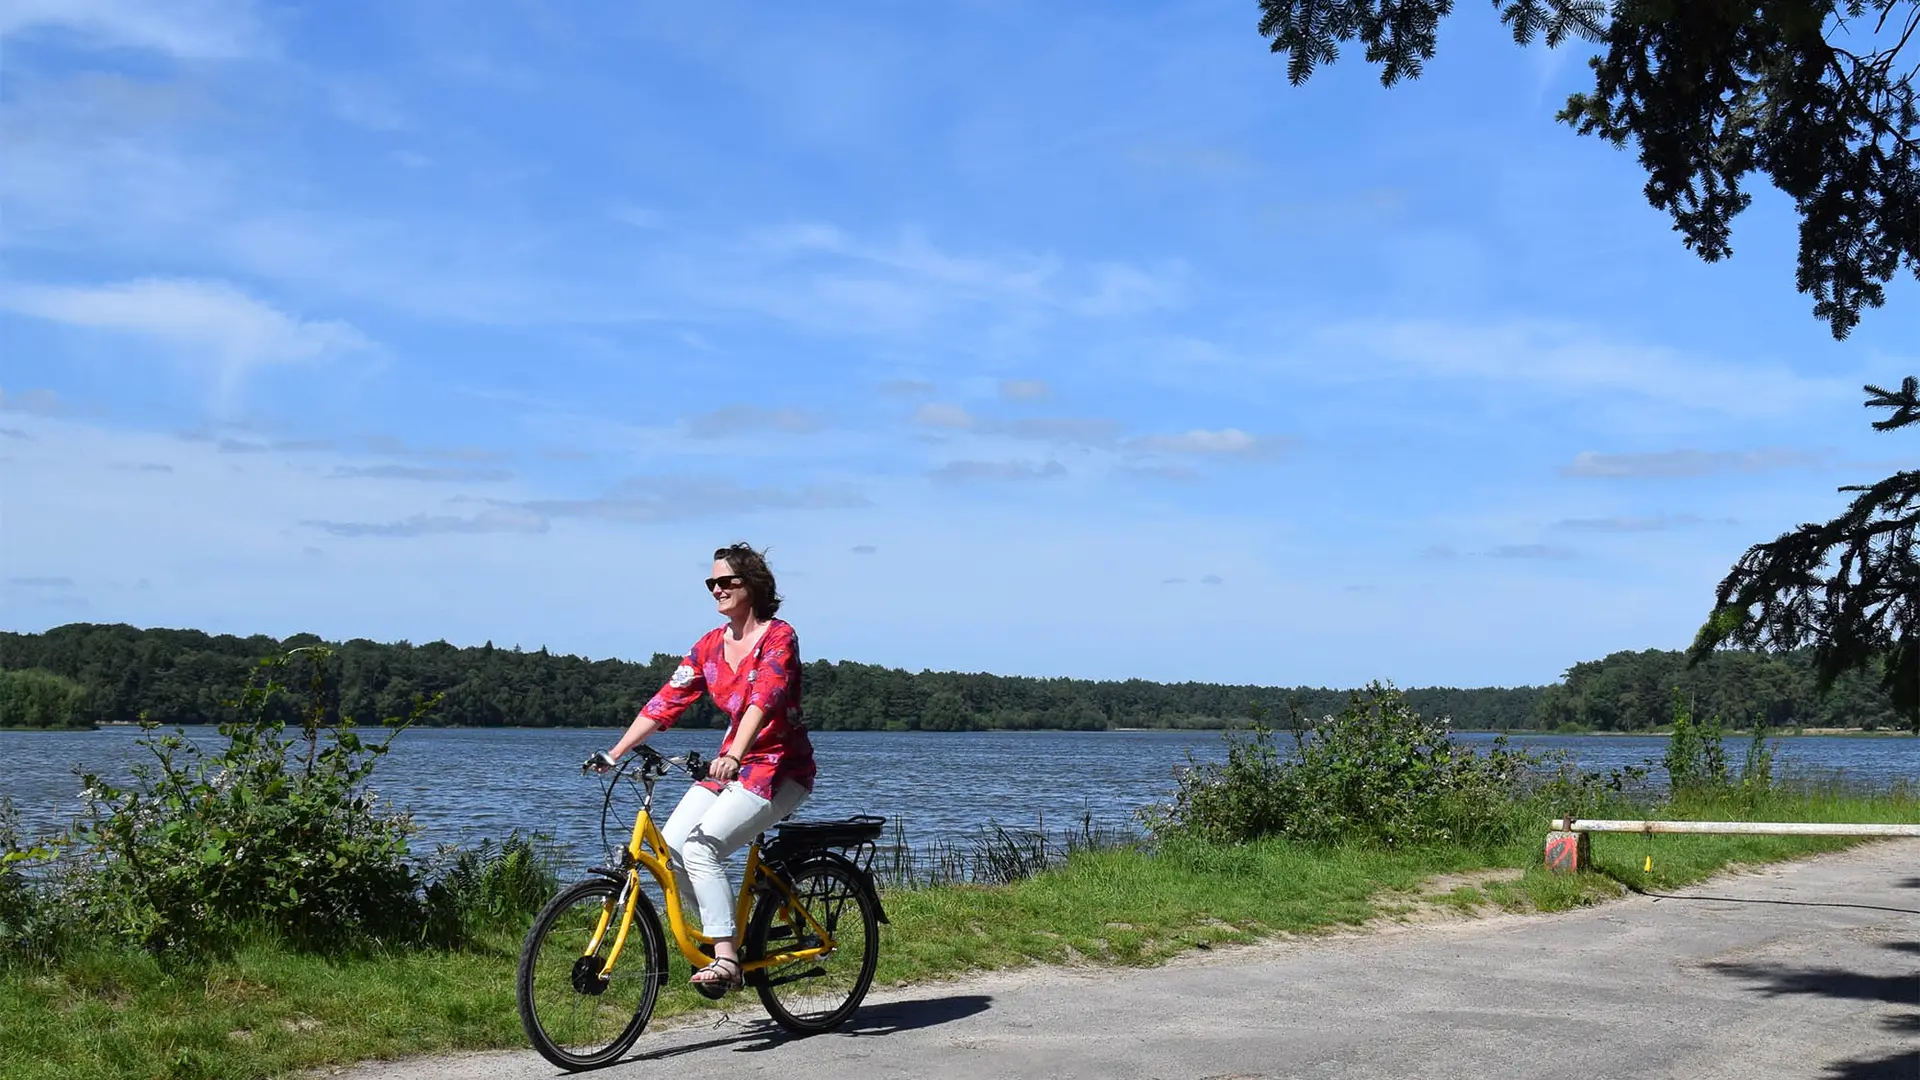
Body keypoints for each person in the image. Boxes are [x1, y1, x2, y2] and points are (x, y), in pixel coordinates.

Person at [598, 542, 816, 991]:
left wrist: (735, 752)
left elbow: (764, 699)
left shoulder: (779, 637)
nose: (716, 589)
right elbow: (666, 701)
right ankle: (727, 935)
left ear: (752, 586)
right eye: (710, 583)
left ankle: (726, 960)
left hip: (778, 768)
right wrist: (615, 752)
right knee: (672, 849)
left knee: (701, 849)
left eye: (726, 582)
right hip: (731, 768)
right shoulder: (710, 646)